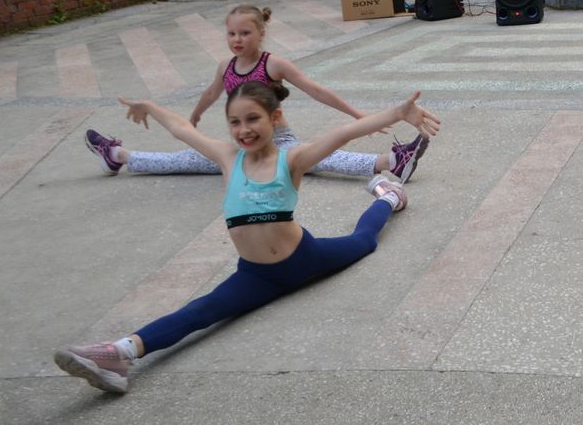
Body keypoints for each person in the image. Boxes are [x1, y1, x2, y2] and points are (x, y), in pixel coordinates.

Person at [53, 82, 439, 394]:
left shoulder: (291, 159)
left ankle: (388, 197)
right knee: (200, 312)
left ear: (275, 118)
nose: (244, 130)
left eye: (253, 119)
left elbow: (343, 133)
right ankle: (119, 355)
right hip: (255, 275)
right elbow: (182, 129)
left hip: (303, 257)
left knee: (364, 242)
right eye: (235, 122)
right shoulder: (227, 157)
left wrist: (397, 113)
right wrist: (150, 106)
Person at [83, 4, 429, 181]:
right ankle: (117, 156)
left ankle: (391, 162)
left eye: (245, 33)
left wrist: (358, 115)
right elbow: (211, 93)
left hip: (279, 141)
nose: (237, 40)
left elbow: (316, 90)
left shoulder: (273, 64)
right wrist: (195, 116)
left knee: (315, 157)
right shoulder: (225, 66)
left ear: (261, 33)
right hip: (245, 143)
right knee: (187, 159)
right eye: (231, 34)